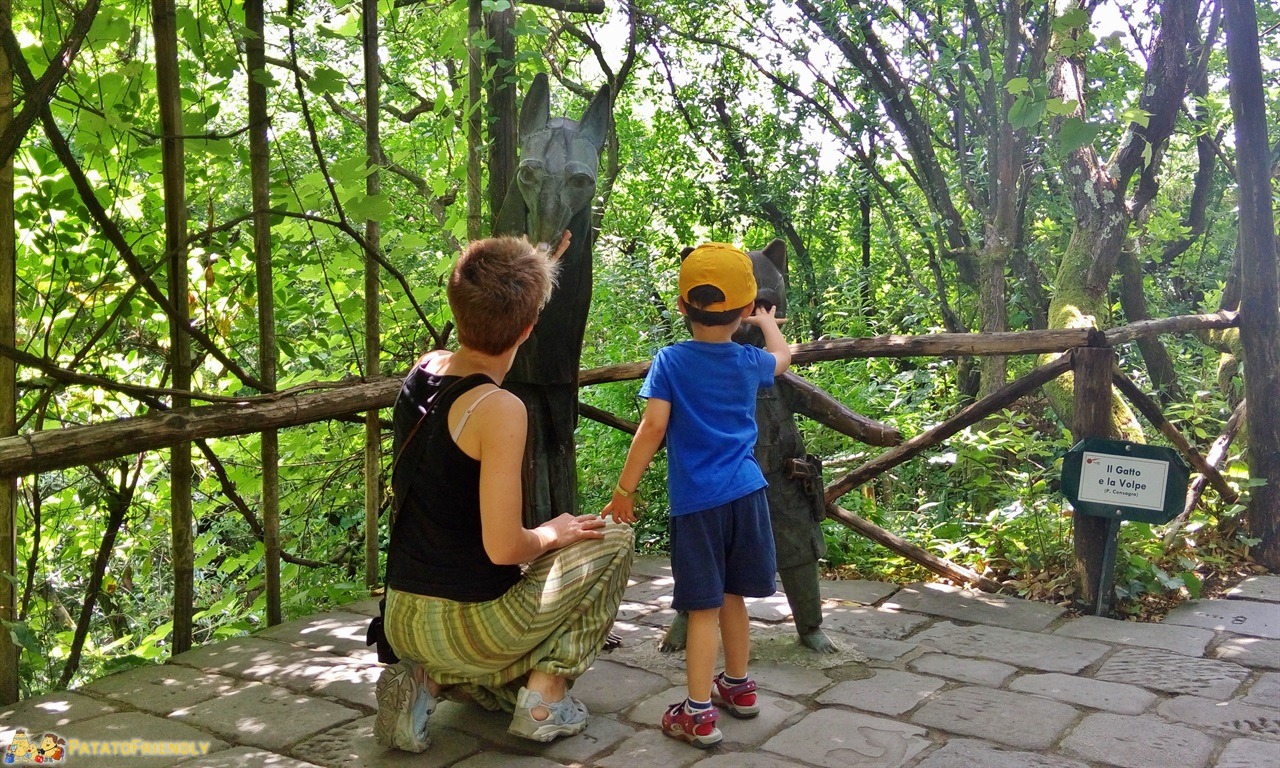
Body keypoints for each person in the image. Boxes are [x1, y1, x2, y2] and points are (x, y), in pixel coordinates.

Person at [376, 233, 634, 753]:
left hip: (401, 620)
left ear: (456, 304)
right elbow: (504, 548)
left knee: (495, 632)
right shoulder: (498, 408)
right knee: (612, 539)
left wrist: (528, 272)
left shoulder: (425, 368)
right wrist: (552, 532)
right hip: (469, 628)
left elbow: (492, 302)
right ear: (530, 327)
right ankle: (543, 700)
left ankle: (426, 684)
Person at [602, 242, 791, 749]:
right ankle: (739, 687)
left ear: (682, 305)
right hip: (747, 494)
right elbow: (783, 359)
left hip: (699, 503)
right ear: (745, 309)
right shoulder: (748, 359)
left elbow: (652, 429)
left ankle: (698, 713)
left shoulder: (671, 361)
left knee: (703, 607)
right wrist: (767, 324)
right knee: (733, 597)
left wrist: (624, 490)